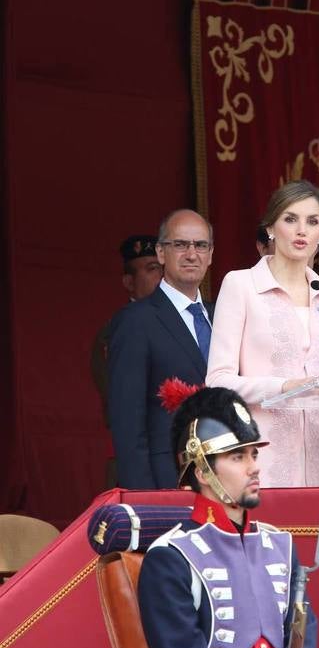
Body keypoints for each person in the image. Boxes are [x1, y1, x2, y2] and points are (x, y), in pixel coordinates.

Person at [138, 386, 316, 648]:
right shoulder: (170, 558)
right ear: (203, 471)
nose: (254, 467)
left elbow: (303, 639)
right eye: (238, 457)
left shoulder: (280, 545)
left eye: (254, 454)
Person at [206, 180, 319, 487]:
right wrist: (284, 387)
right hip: (259, 457)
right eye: (290, 219)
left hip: (318, 462)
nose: (301, 231)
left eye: (312, 222)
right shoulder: (240, 285)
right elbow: (217, 381)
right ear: (270, 228)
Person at [108, 209, 214, 489]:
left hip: (223, 482)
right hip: (166, 480)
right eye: (180, 244)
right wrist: (145, 500)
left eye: (200, 245)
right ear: (161, 253)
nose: (192, 254)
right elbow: (127, 424)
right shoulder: (135, 321)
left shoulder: (223, 317)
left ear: (211, 254)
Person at [90, 234, 162, 487]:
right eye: (152, 269)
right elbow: (122, 401)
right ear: (129, 282)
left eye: (162, 268)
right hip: (138, 457)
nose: (161, 276)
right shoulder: (119, 329)